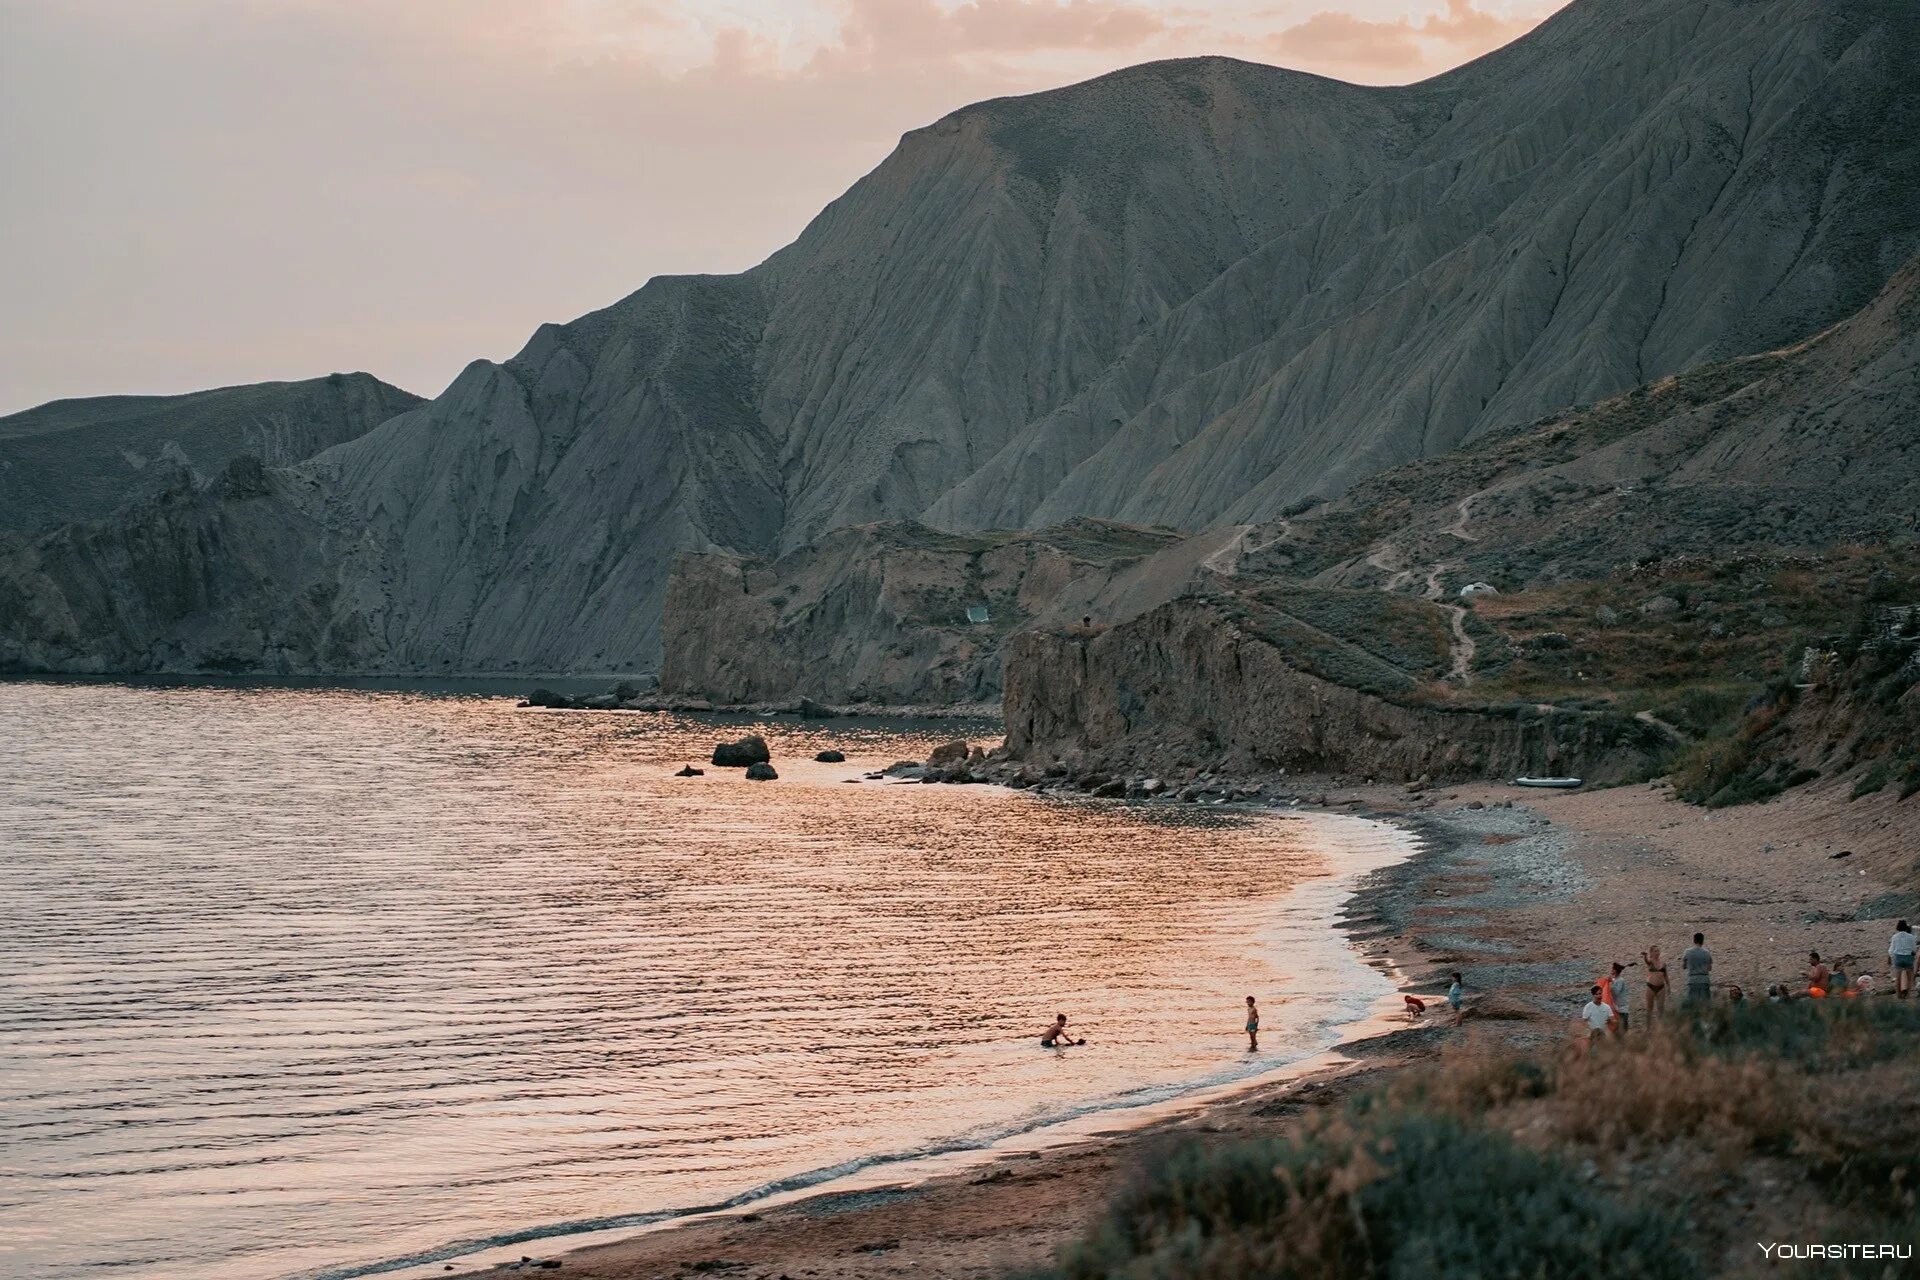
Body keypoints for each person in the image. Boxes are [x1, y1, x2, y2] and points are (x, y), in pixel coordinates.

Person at [1681, 932, 1713, 1003]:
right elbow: (1709, 968)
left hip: (1692, 980)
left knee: (1692, 1004)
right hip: (1704, 980)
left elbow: (1684, 966)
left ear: (1694, 940)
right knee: (1705, 1004)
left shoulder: (1687, 952)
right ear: (1702, 941)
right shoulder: (1707, 953)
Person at [1642, 944, 1669, 1022]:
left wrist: (1669, 986)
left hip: (1661, 987)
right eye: (1655, 951)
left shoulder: (1663, 964)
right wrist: (1645, 956)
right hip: (1650, 987)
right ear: (1652, 953)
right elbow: (1647, 961)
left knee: (1661, 1009)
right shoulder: (1650, 962)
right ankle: (1648, 1028)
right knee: (1649, 1008)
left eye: (1658, 951)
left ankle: (1660, 1028)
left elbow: (1666, 976)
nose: (1657, 952)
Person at [1603, 961, 1631, 1032]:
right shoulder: (1615, 980)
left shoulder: (1621, 980)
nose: (1611, 971)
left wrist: (1611, 983)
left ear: (1615, 971)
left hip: (1622, 1009)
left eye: (1612, 969)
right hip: (1616, 1008)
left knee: (1622, 1029)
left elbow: (1616, 992)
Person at [1891, 920, 1916, 998]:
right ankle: (1908, 995)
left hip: (1898, 957)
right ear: (1906, 927)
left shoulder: (1895, 937)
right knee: (1909, 979)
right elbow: (1914, 949)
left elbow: (1892, 949)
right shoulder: (1911, 937)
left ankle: (1899, 995)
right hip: (1908, 957)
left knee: (1898, 979)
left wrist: (1892, 957)